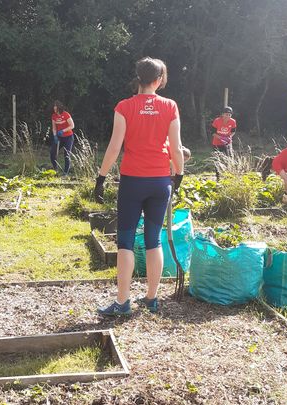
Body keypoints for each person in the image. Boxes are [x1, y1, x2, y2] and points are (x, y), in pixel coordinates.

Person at [93, 57, 185, 316]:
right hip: (160, 183)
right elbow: (176, 148)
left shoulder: (124, 107)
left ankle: (123, 303)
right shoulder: (170, 106)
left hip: (133, 182)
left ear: (139, 78)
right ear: (158, 80)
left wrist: (101, 178)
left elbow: (114, 147)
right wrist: (178, 174)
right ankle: (151, 298)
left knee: (125, 242)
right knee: (153, 240)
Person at [212, 106, 237, 179]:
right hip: (217, 143)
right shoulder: (217, 120)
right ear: (222, 114)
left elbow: (233, 132)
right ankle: (218, 176)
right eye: (226, 114)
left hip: (227, 143)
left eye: (229, 115)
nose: (228, 116)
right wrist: (220, 138)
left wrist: (229, 137)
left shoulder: (233, 121)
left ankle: (229, 175)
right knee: (217, 159)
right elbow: (212, 132)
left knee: (229, 158)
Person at [50, 101, 75, 175]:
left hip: (68, 137)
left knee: (66, 155)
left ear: (59, 108)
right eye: (54, 109)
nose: (55, 110)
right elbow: (54, 128)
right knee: (52, 153)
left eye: (56, 109)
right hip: (59, 137)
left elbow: (72, 126)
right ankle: (55, 169)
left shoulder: (66, 114)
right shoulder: (54, 116)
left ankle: (65, 172)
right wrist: (55, 136)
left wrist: (63, 131)